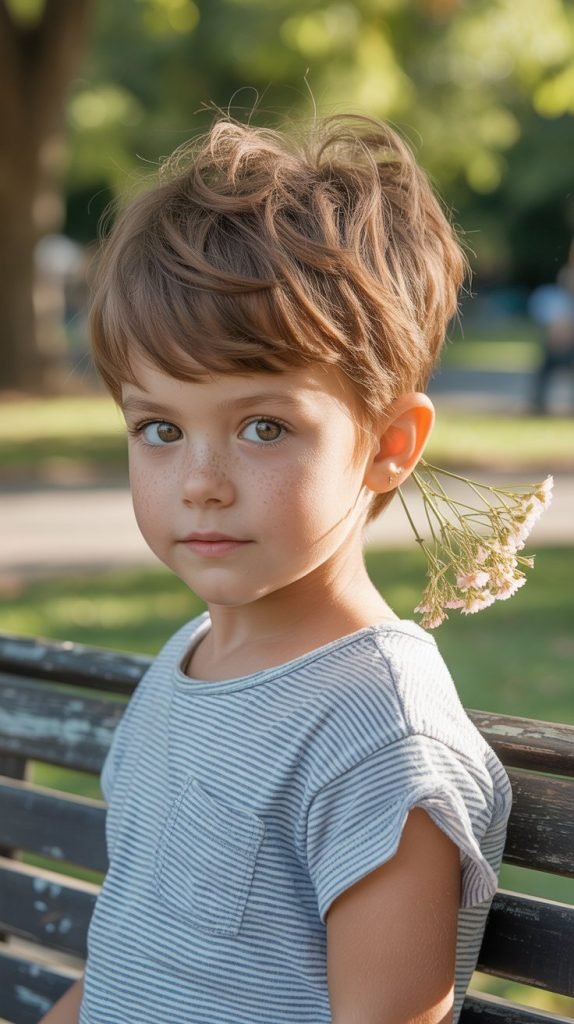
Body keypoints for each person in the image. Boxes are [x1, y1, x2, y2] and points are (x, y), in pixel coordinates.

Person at [40, 114, 513, 1024]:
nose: (201, 484)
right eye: (160, 430)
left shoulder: (377, 730)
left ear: (388, 445)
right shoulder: (186, 663)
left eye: (265, 427)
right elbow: (130, 960)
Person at [528, 257, 574, 414]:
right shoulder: (551, 297)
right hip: (553, 345)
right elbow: (546, 322)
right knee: (544, 371)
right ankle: (538, 404)